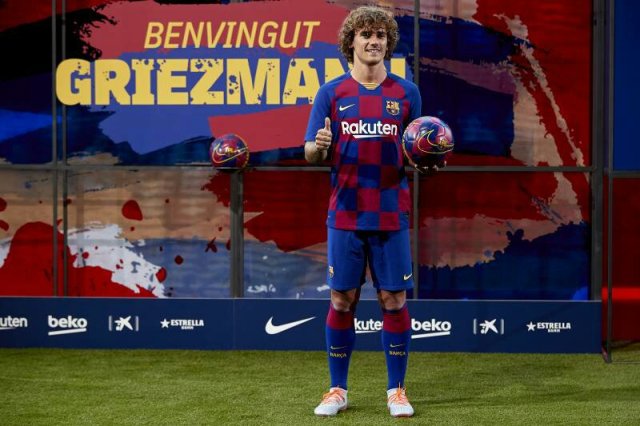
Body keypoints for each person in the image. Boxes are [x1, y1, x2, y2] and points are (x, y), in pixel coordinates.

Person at [304, 5, 431, 418]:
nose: (374, 41)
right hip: (345, 214)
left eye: (380, 35)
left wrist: (429, 157)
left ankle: (397, 391)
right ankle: (337, 390)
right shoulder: (331, 93)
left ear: (388, 43)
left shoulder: (406, 93)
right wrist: (320, 146)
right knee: (342, 300)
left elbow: (417, 150)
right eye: (366, 34)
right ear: (351, 42)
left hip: (391, 214)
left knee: (393, 299)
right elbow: (310, 152)